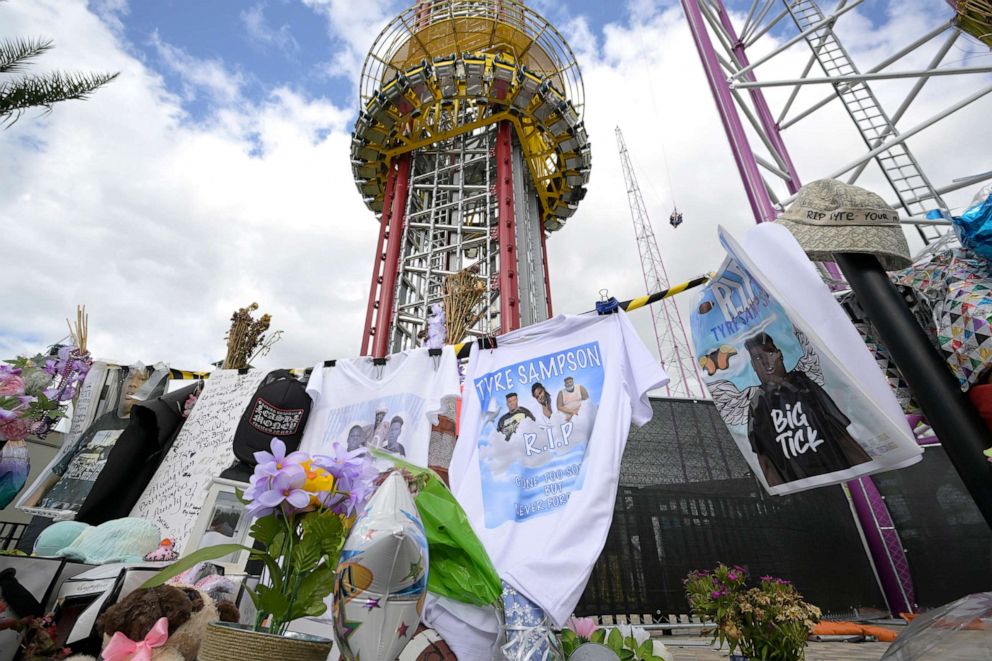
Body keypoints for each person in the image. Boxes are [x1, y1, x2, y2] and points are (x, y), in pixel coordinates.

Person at [745, 332, 871, 486]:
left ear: (780, 355)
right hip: (806, 490)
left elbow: (840, 434)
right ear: (753, 366)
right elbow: (764, 459)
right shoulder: (757, 404)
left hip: (840, 477)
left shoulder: (804, 386)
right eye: (758, 358)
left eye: (769, 353)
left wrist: (869, 475)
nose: (766, 362)